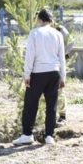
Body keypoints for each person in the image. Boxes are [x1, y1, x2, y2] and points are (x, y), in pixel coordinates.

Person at [13, 9, 66, 146]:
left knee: (31, 104)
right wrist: (63, 77)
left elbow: (29, 56)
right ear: (51, 20)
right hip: (54, 72)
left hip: (38, 72)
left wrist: (27, 74)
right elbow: (62, 57)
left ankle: (27, 134)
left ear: (39, 20)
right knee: (51, 105)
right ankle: (49, 135)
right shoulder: (57, 34)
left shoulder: (35, 33)